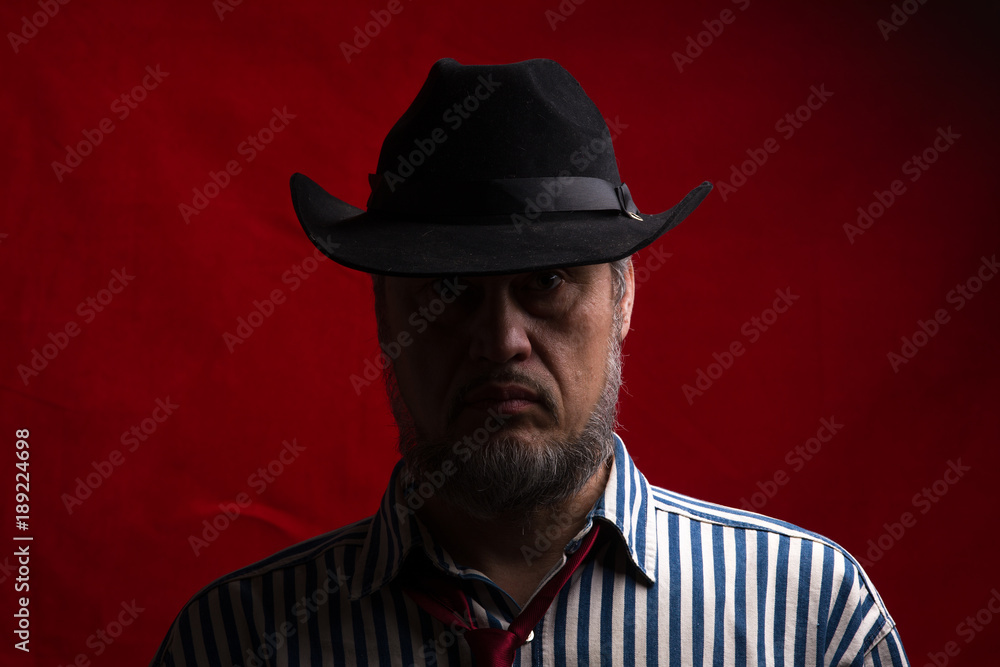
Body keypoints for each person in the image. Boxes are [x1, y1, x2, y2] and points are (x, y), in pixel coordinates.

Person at [151, 58, 909, 666]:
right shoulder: (232, 642)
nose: (502, 339)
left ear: (623, 299)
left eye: (545, 282)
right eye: (450, 291)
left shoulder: (810, 623)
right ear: (385, 316)